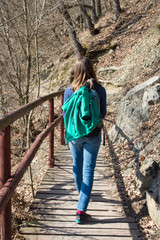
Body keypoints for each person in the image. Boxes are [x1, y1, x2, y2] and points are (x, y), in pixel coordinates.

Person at [63, 56, 107, 224]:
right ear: (91, 69)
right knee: (88, 170)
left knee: (77, 165)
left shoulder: (69, 90)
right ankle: (81, 210)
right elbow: (103, 113)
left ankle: (82, 193)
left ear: (76, 70)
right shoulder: (100, 89)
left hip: (75, 135)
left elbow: (65, 115)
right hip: (93, 134)